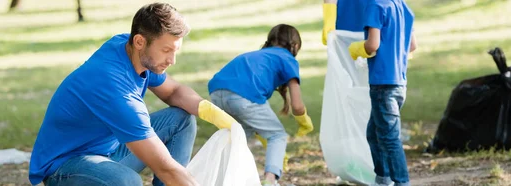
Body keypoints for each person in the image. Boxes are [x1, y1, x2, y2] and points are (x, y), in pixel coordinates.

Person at [28, 3, 240, 186]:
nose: (172, 60)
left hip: (108, 152)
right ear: (140, 42)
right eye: (166, 50)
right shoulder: (114, 88)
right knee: (126, 181)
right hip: (65, 166)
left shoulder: (128, 48)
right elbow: (165, 167)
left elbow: (174, 91)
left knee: (182, 119)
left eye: (175, 51)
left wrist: (212, 112)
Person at [207, 24, 314, 186]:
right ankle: (270, 181)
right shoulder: (287, 58)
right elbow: (297, 106)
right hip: (243, 96)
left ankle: (220, 180)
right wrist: (304, 122)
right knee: (277, 135)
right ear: (296, 45)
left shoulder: (259, 55)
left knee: (238, 136)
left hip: (215, 94)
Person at [347, 0, 418, 185]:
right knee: (374, 133)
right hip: (399, 82)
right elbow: (412, 46)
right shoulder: (403, 7)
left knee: (389, 137)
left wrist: (357, 49)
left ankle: (401, 182)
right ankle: (383, 178)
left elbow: (372, 45)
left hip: (382, 84)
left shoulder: (375, 5)